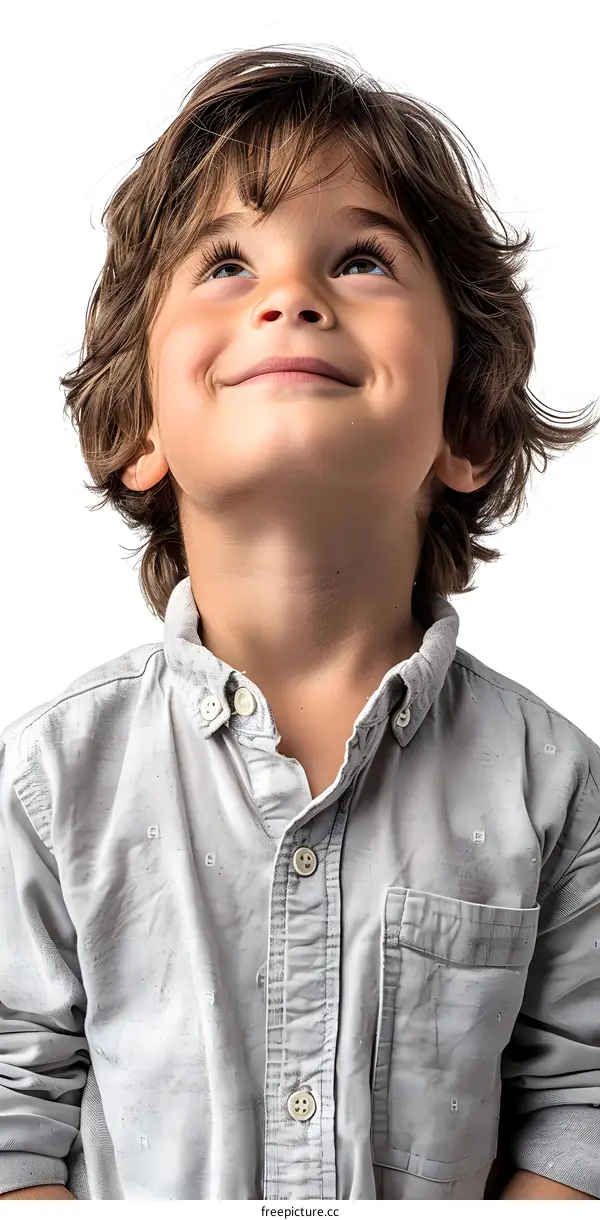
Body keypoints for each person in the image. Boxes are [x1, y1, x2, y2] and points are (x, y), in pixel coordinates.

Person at [1, 45, 599, 1203]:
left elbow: (578, 1104)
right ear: (141, 432)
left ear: (464, 423)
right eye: (225, 262)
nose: (291, 293)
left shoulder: (557, 789)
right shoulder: (46, 784)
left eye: (362, 257)